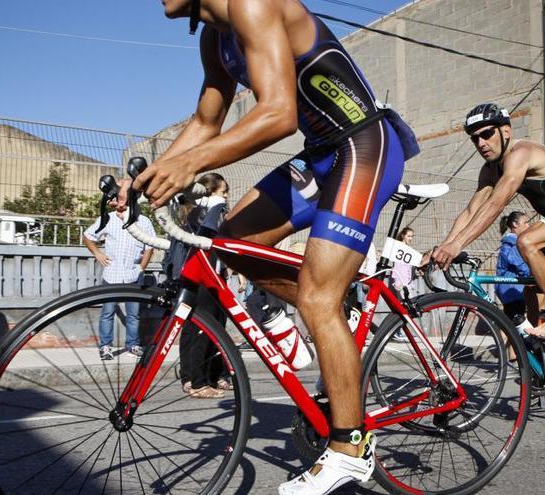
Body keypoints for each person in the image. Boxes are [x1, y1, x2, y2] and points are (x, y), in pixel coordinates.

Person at [134, 1, 418, 493]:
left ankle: (351, 449)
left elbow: (279, 114)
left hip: (364, 146)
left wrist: (192, 165)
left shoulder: (252, 3)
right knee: (230, 243)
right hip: (323, 155)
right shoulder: (213, 39)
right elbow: (205, 123)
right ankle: (344, 312)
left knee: (316, 297)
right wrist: (139, 181)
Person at [428, 102, 545, 342]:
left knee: (526, 241)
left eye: (487, 134)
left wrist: (458, 244)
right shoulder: (490, 170)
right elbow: (472, 210)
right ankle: (538, 357)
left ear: (506, 131)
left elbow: (496, 203)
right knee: (532, 291)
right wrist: (443, 246)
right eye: (475, 139)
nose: (481, 143)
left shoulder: (521, 153)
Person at [163, 173, 232, 398]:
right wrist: (217, 205)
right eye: (223, 192)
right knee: (202, 330)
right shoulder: (204, 213)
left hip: (208, 274)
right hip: (202, 276)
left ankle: (201, 377)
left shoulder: (200, 214)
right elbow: (207, 232)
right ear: (209, 193)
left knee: (204, 329)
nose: (227, 197)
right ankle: (198, 382)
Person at [83, 178, 155, 361]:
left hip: (133, 274)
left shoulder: (144, 221)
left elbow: (149, 247)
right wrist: (98, 254)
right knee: (107, 312)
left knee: (134, 314)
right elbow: (88, 236)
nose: (118, 202)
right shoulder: (106, 219)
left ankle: (133, 345)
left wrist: (141, 268)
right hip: (112, 274)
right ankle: (105, 346)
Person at [496, 211, 531, 323]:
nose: (528, 226)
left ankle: (508, 340)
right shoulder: (513, 243)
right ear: (515, 224)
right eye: (525, 223)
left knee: (511, 322)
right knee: (515, 323)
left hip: (509, 289)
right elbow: (520, 265)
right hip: (512, 290)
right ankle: (509, 341)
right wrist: (534, 274)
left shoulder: (510, 242)